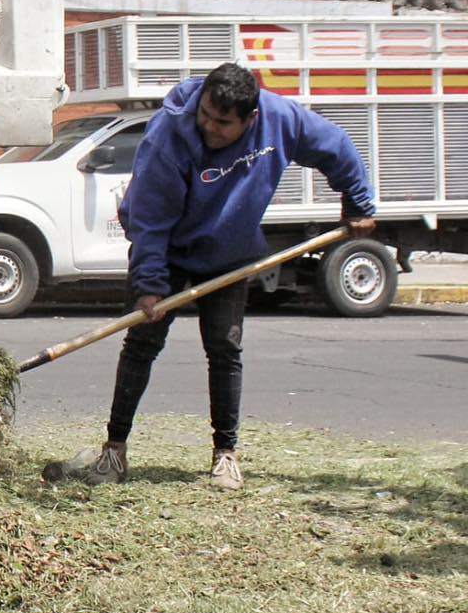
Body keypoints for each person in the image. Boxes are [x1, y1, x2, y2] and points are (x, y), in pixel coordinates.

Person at [82, 62, 376, 491]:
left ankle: (225, 455)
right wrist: (149, 285)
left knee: (224, 348)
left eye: (223, 123)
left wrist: (358, 203)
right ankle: (115, 450)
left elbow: (337, 147)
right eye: (205, 115)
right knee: (142, 343)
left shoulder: (280, 120)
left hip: (230, 252)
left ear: (250, 119)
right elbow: (148, 217)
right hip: (168, 249)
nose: (209, 128)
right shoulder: (170, 134)